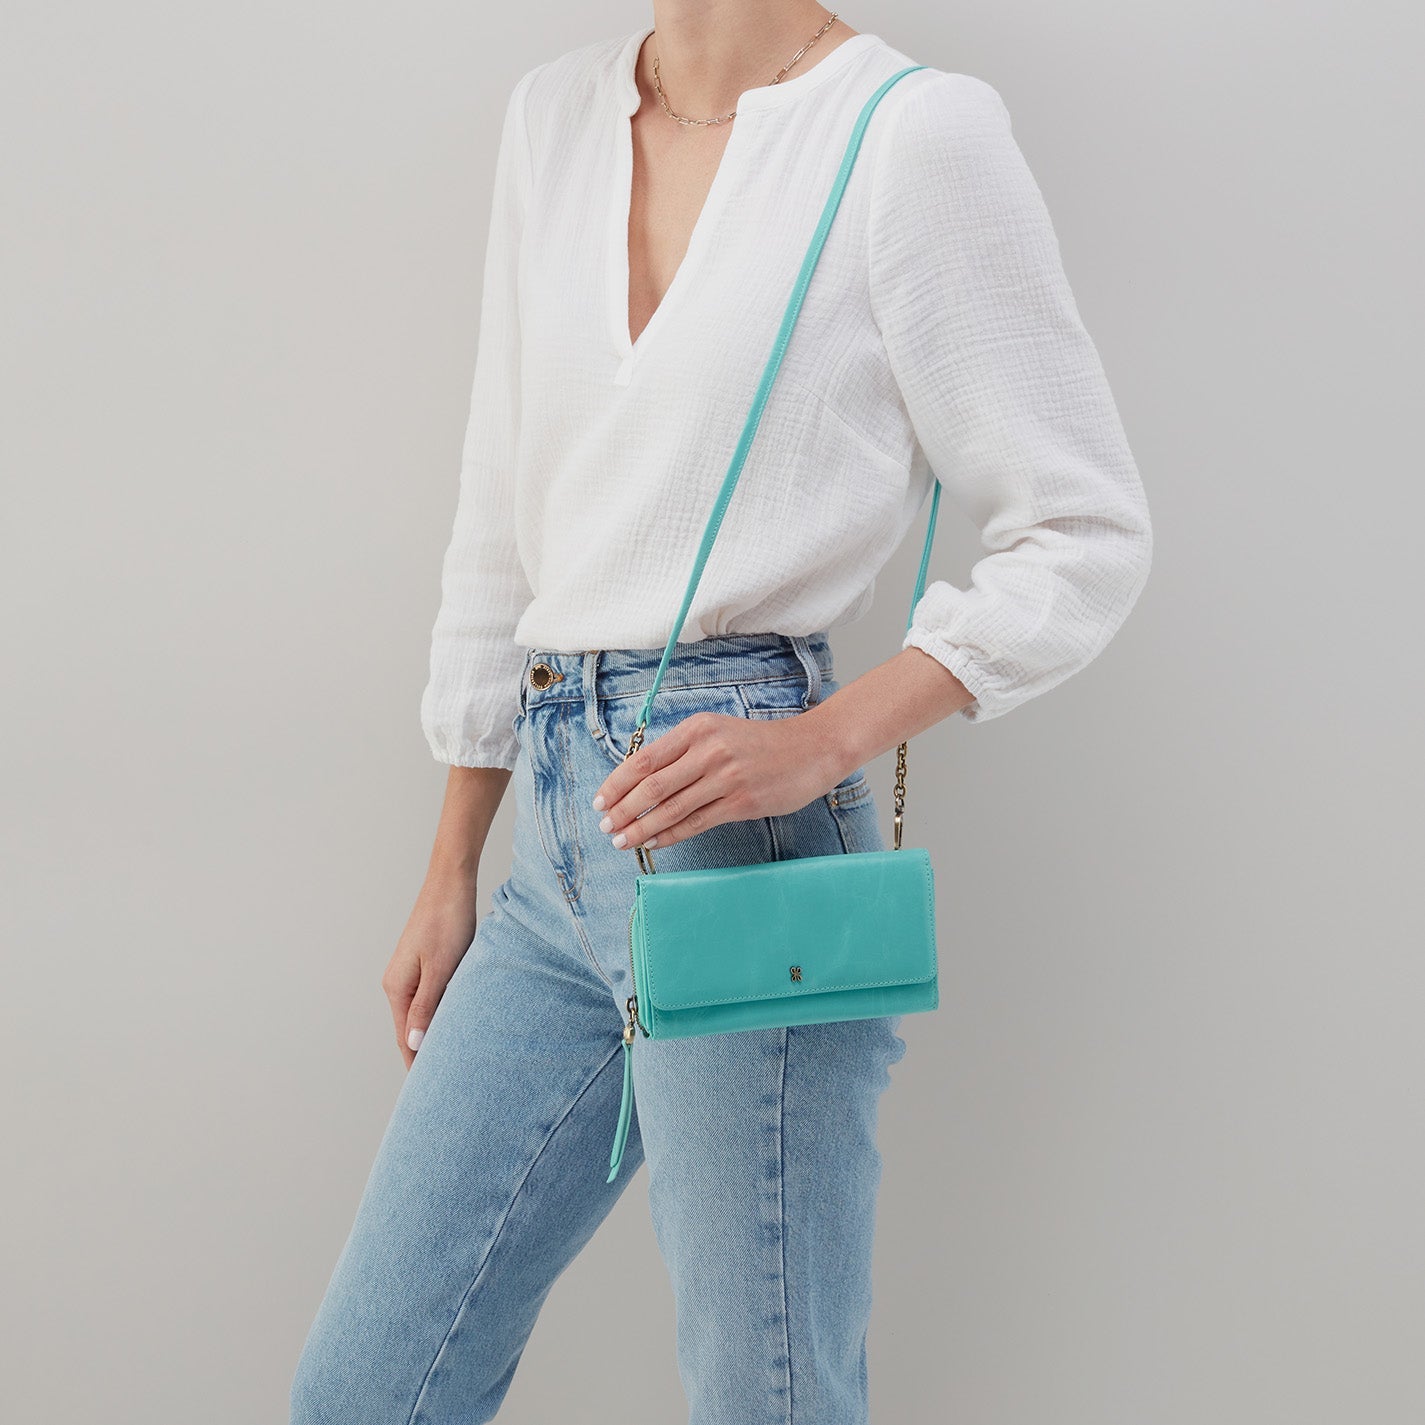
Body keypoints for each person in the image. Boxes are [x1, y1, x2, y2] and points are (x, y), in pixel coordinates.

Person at [290, 5, 1152, 1422]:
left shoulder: (908, 133)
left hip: (742, 841)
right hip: (551, 848)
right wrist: (452, 863)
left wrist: (825, 738)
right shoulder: (554, 117)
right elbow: (499, 511)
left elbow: (1084, 528)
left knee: (768, 1398)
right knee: (366, 1389)